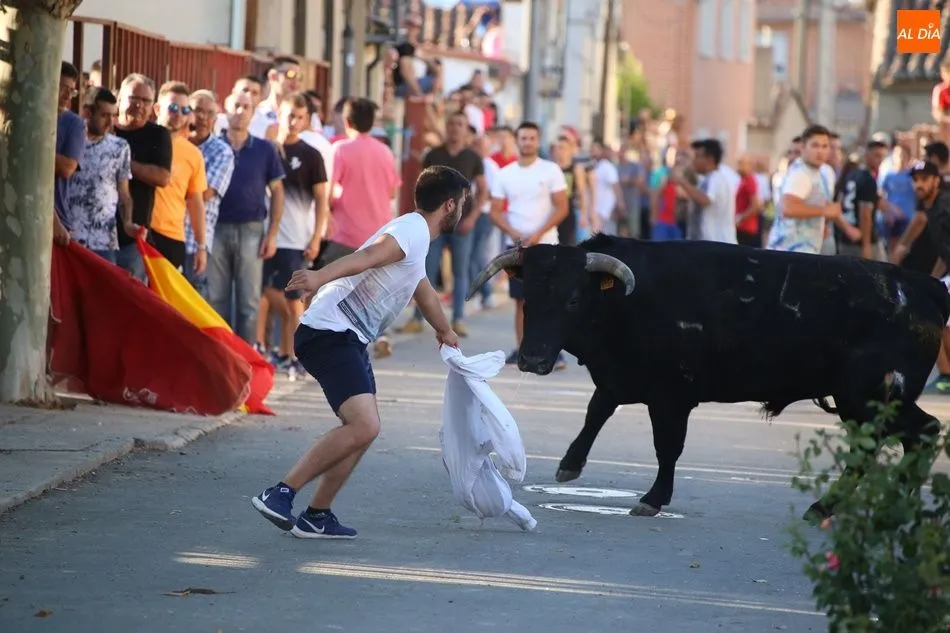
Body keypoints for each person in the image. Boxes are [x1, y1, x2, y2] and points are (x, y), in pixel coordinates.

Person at [251, 165, 469, 539]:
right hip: (330, 332)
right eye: (463, 203)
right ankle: (280, 493)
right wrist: (318, 276)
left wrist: (445, 331)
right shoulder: (412, 230)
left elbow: (424, 292)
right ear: (450, 204)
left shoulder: (415, 237)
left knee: (363, 430)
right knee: (364, 424)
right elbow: (368, 256)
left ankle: (317, 515)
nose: (463, 210)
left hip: (346, 336)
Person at [766, 125, 841, 254]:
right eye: (815, 146)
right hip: (788, 251)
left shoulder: (821, 173)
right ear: (803, 147)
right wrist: (824, 211)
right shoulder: (801, 174)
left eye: (824, 146)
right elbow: (788, 208)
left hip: (804, 250)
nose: (820, 151)